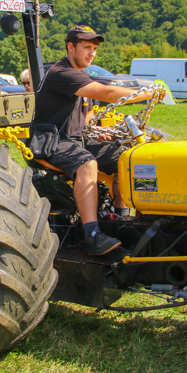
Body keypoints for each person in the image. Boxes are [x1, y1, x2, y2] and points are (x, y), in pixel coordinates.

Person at [30, 25, 155, 256]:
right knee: (87, 163)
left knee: (126, 158)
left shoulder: (81, 75)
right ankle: (93, 235)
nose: (92, 53)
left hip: (76, 139)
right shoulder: (61, 73)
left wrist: (96, 129)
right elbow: (106, 93)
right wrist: (148, 92)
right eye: (87, 47)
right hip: (52, 140)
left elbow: (87, 113)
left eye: (95, 49)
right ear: (71, 47)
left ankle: (120, 220)